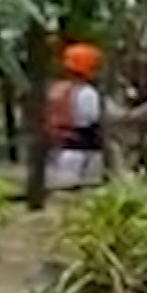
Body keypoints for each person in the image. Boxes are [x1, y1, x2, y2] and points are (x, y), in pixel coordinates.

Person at [44, 42, 107, 191]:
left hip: (56, 151)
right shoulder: (88, 93)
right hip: (82, 152)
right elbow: (94, 118)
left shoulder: (55, 90)